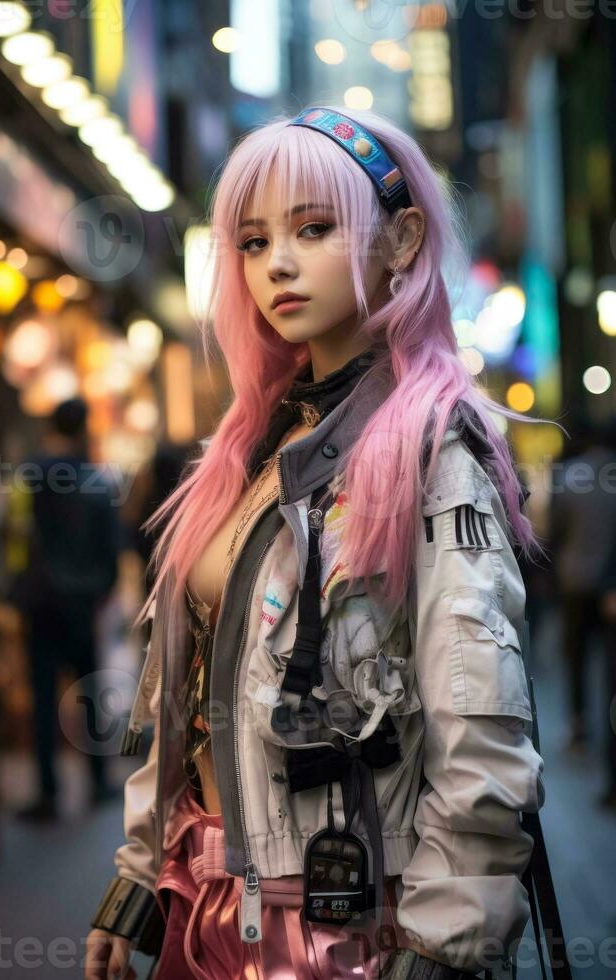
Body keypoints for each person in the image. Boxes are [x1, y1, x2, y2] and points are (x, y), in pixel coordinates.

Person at [86, 106, 548, 980]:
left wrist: (444, 943)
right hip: (208, 900)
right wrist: (143, 874)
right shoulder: (254, 447)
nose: (279, 265)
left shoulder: (436, 450)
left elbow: (480, 722)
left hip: (346, 929)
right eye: (254, 242)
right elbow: (186, 687)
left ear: (403, 239)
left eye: (315, 228)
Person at [7, 397, 122, 820]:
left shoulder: (30, 474)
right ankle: (98, 781)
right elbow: (111, 544)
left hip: (40, 600)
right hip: (82, 601)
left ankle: (48, 792)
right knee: (89, 691)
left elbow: (15, 534)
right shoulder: (97, 479)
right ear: (83, 428)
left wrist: (19, 587)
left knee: (41, 696)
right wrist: (103, 591)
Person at [548, 415, 616, 756]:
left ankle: (579, 727)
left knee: (576, 657)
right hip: (610, 586)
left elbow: (553, 531)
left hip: (574, 578)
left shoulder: (568, 476)